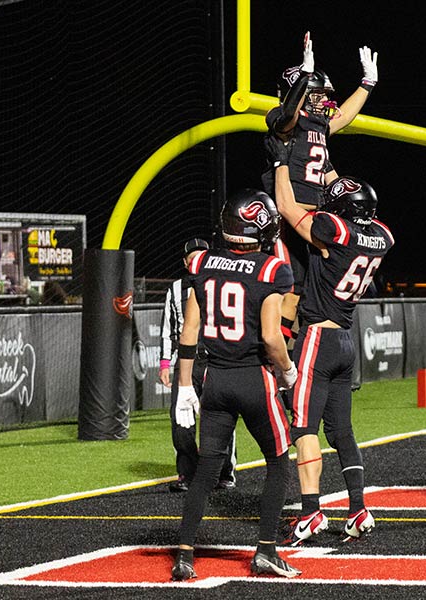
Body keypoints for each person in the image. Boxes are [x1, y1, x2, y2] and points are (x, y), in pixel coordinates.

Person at [267, 135, 394, 545]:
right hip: (346, 342)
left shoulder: (334, 231)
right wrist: (326, 164)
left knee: (303, 427)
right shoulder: (379, 236)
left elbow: (287, 208)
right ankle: (358, 509)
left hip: (319, 341)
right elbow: (347, 201)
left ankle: (310, 513)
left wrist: (283, 162)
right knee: (342, 432)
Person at [171, 190, 301, 580]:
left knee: (207, 468)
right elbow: (271, 337)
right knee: (278, 462)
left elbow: (189, 330)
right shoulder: (271, 270)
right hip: (253, 378)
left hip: (215, 380)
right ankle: (265, 551)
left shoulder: (203, 263)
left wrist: (184, 388)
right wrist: (288, 372)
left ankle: (183, 554)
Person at [261, 31, 379, 345]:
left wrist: (367, 84)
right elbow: (287, 115)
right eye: (315, 94)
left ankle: (297, 349)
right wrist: (305, 77)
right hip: (289, 212)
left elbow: (343, 117)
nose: (323, 101)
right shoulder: (284, 121)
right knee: (290, 286)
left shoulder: (318, 127)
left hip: (313, 216)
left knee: (307, 290)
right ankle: (277, 354)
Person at [160, 238, 237, 492]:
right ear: (185, 263)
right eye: (191, 258)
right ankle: (187, 473)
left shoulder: (224, 283)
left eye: (201, 256)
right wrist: (163, 363)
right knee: (181, 421)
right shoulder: (174, 290)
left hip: (217, 361)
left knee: (220, 420)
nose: (197, 262)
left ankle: (224, 472)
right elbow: (169, 330)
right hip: (187, 364)